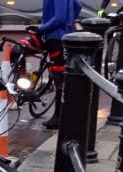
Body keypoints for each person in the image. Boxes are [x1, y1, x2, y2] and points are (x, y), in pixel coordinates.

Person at [36, 0, 83, 129]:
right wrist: (70, 21)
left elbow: (59, 18)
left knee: (60, 78)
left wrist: (41, 29)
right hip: (62, 35)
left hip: (56, 37)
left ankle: (58, 117)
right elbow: (77, 6)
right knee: (61, 76)